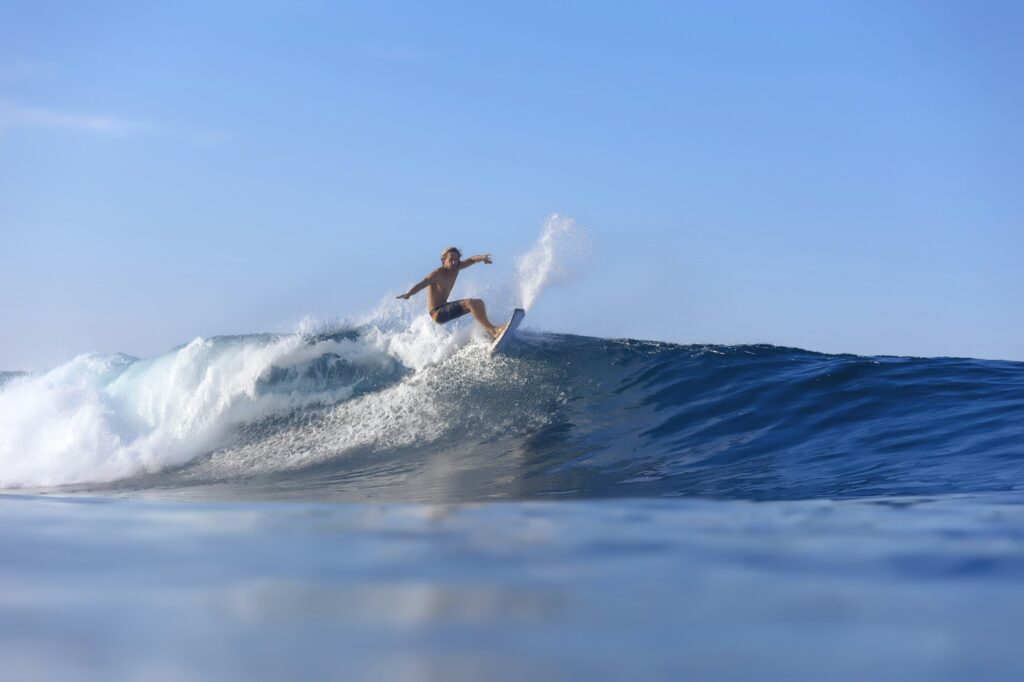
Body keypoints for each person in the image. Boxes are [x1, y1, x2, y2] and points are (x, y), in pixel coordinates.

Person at [396, 247, 505, 338]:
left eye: (456, 259)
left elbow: (472, 260)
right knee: (470, 303)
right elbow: (422, 284)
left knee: (478, 303)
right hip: (437, 313)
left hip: (445, 306)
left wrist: (483, 258)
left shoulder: (457, 267)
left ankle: (489, 331)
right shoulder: (437, 273)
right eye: (451, 259)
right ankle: (494, 330)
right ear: (444, 260)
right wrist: (408, 294)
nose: (454, 262)